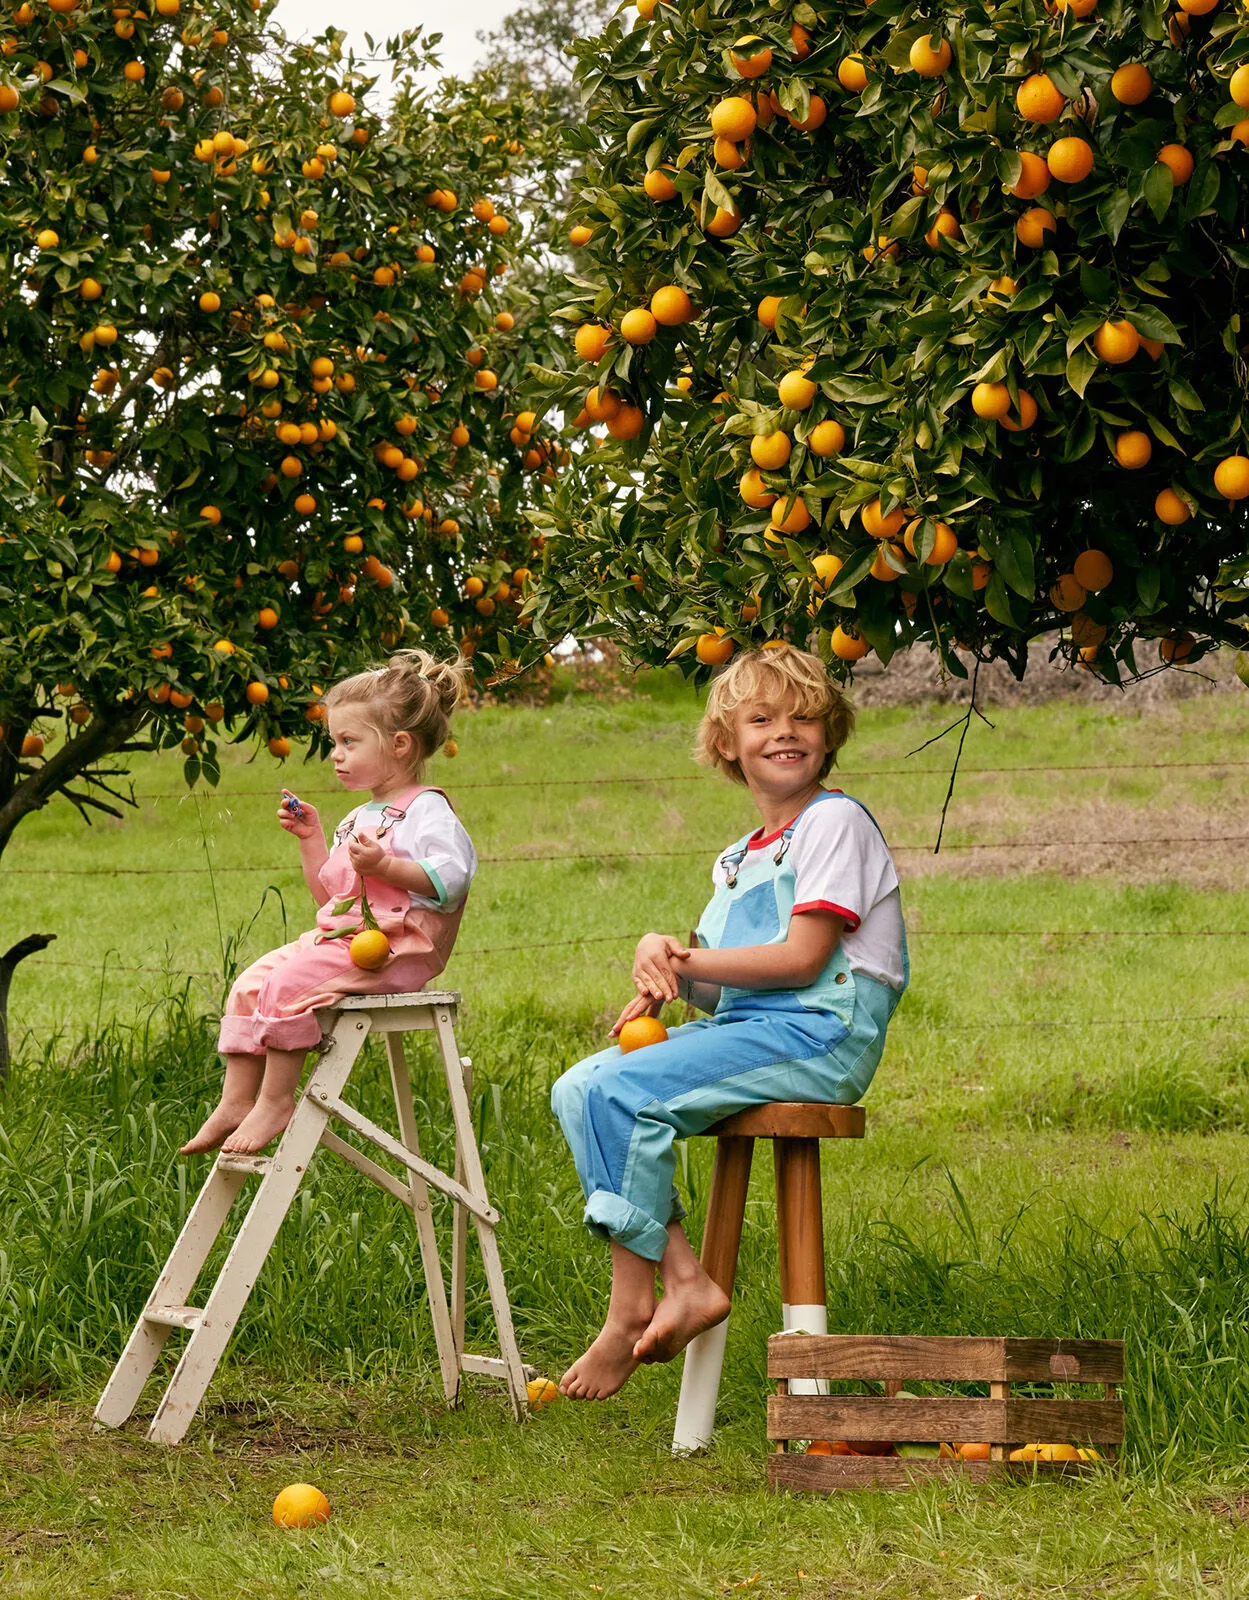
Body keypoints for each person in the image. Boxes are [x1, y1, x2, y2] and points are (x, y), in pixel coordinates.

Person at [550, 643, 908, 1399]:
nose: (787, 731)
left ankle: (627, 1312)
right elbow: (723, 990)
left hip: (818, 1034)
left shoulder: (833, 822)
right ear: (725, 743)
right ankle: (683, 1278)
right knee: (581, 1086)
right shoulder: (739, 857)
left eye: (805, 716)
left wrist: (686, 961)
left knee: (620, 1094)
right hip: (753, 1032)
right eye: (762, 718)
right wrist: (665, 967)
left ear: (829, 732)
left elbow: (804, 960)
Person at [180, 649, 475, 1157]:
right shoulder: (358, 816)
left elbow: (450, 882)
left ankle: (276, 1101)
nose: (335, 753)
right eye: (333, 742)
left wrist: (385, 867)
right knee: (252, 984)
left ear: (400, 745)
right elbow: (332, 898)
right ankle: (236, 1099)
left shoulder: (428, 811)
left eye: (348, 742)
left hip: (398, 946)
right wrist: (312, 837)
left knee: (287, 984)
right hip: (346, 938)